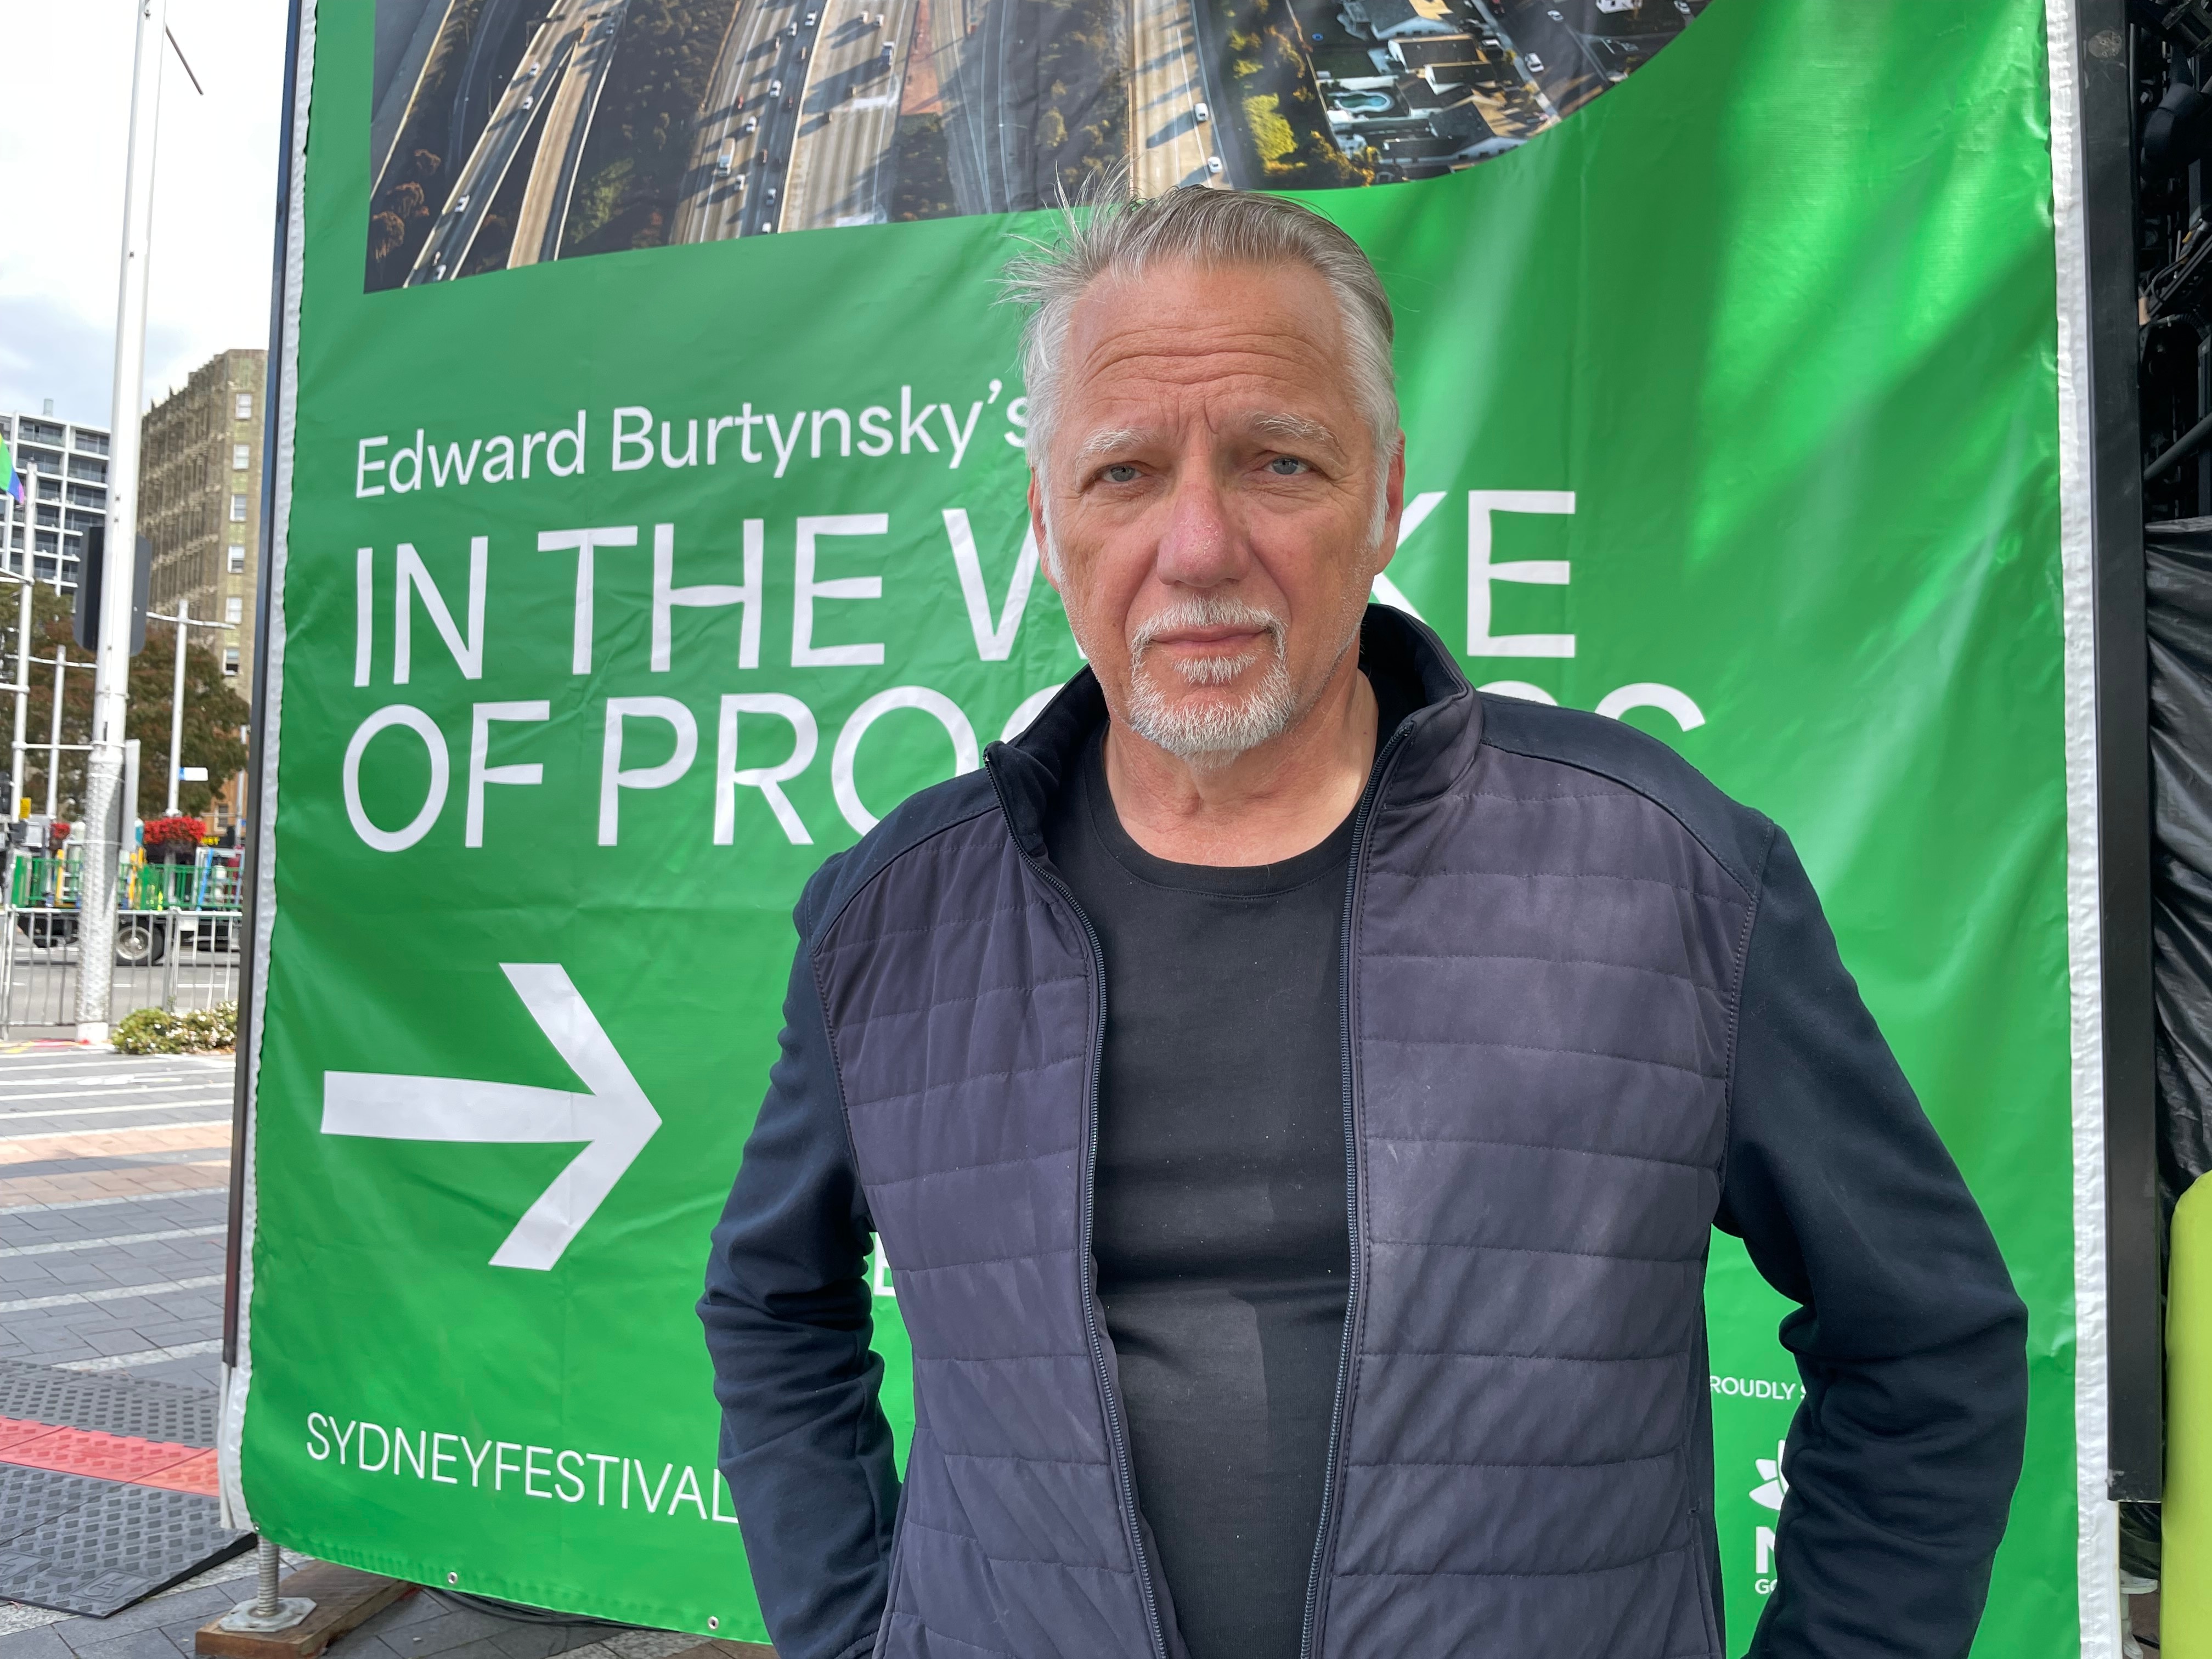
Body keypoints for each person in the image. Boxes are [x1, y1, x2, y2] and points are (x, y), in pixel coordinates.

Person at [699, 187, 2027, 1659]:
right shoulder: (895, 920)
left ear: (1386, 494)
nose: (1198, 547)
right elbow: (771, 1307)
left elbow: (1925, 1341)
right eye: (1126, 473)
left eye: (1279, 460)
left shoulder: (1667, 875)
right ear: (1047, 523)